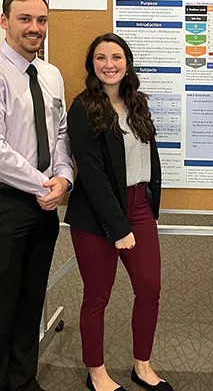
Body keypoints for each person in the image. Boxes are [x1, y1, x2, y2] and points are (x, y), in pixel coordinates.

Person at [65, 33, 173, 391]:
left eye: (116, 57)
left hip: (139, 206)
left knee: (149, 289)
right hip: (97, 214)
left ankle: (142, 366)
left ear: (127, 63)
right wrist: (117, 227)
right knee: (97, 296)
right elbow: (92, 175)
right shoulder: (83, 108)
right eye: (101, 58)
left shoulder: (136, 102)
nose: (109, 64)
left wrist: (149, 203)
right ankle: (96, 372)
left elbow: (148, 155)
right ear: (92, 65)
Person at [0, 0, 74, 391]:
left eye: (41, 20)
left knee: (32, 298)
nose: (34, 28)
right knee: (3, 301)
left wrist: (64, 178)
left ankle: (23, 380)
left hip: (45, 203)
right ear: (4, 21)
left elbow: (60, 133)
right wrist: (43, 182)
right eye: (24, 19)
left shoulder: (51, 74)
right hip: (7, 201)